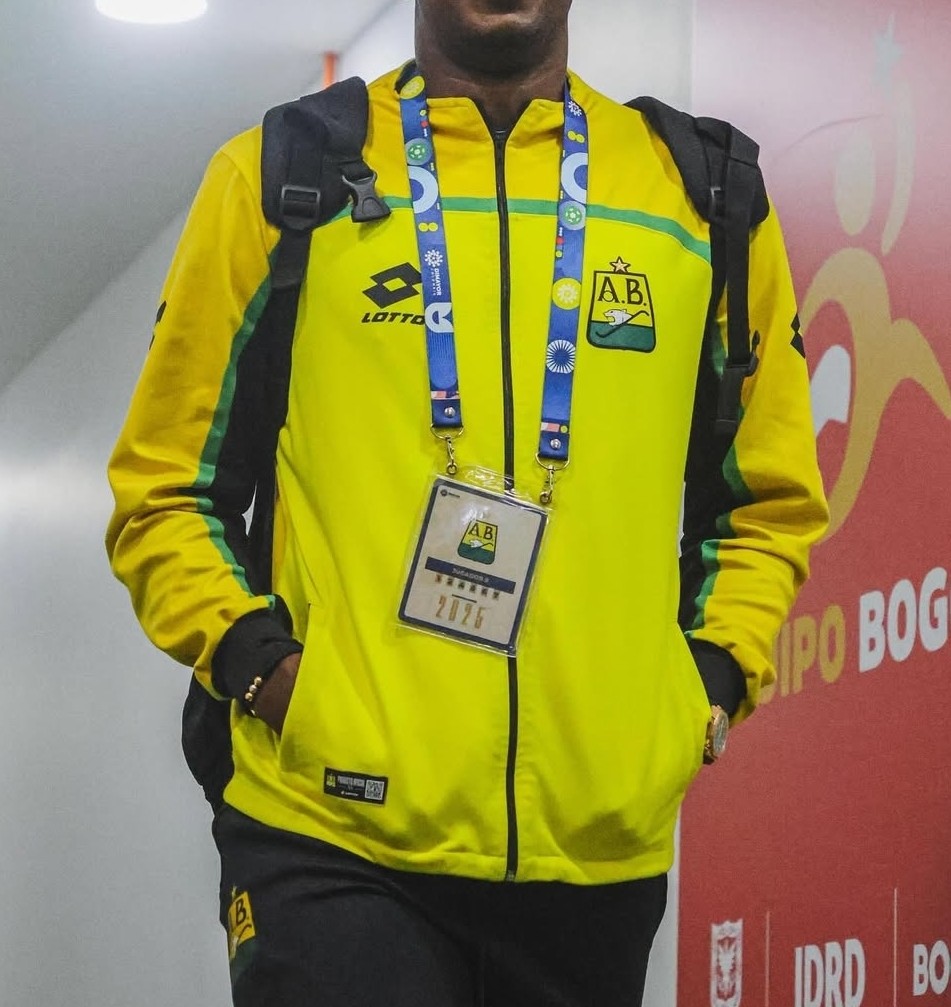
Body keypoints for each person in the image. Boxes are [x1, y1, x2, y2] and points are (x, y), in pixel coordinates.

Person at [106, 1, 829, 1004]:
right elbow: (164, 487)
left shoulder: (702, 195)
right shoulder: (283, 178)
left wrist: (702, 689)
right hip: (332, 830)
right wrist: (267, 672)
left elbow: (766, 502)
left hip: (595, 852)